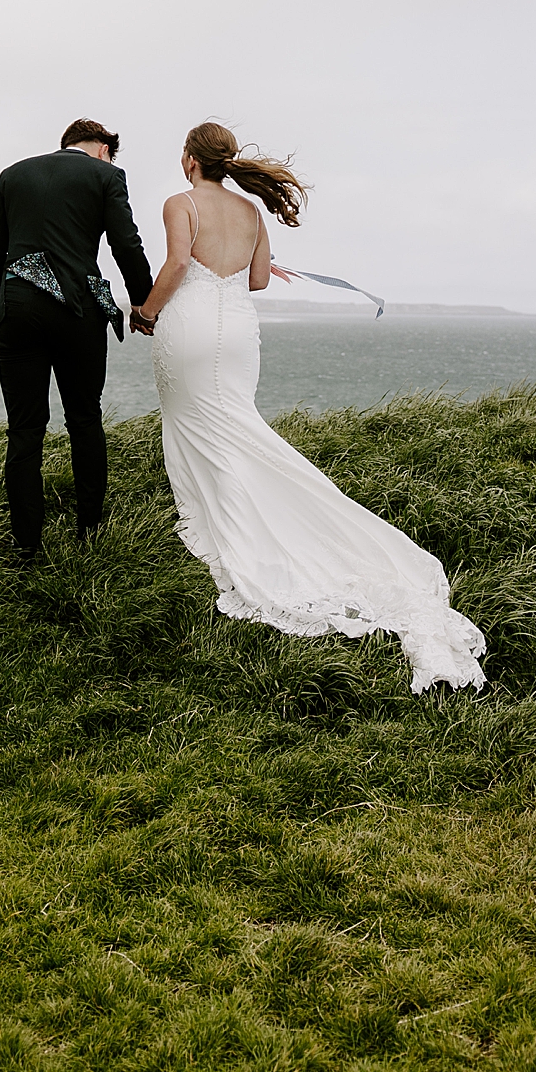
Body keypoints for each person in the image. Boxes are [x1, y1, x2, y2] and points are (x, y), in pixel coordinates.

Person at [136, 121, 486, 693]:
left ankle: (236, 517)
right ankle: (256, 503)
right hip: (238, 333)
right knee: (235, 422)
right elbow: (256, 281)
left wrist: (147, 313)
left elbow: (177, 267)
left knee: (202, 423)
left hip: (190, 328)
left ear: (189, 159)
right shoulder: (252, 213)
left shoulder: (180, 201)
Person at [0, 117, 155, 560]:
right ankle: (89, 532)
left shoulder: (13, 174)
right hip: (78, 312)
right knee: (84, 419)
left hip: (17, 310)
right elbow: (125, 245)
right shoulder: (107, 175)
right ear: (102, 149)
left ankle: (26, 546)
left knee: (24, 430)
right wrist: (143, 302)